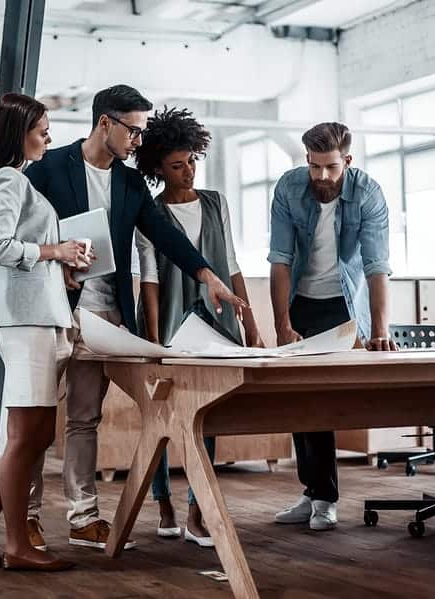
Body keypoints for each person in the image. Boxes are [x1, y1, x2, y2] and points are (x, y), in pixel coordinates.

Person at [23, 85, 247, 552]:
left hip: (104, 317)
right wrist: (54, 262)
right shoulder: (47, 169)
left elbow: (165, 235)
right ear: (105, 122)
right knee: (36, 423)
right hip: (52, 312)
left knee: (84, 420)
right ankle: (24, 518)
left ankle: (84, 518)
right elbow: (20, 238)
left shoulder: (128, 183)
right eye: (134, 131)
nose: (138, 142)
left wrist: (209, 276)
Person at [0, 93, 91, 571]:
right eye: (42, 129)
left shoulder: (18, 179)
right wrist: (55, 252)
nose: (49, 137)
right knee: (27, 436)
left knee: (28, 437)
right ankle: (17, 545)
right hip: (26, 321)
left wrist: (65, 264)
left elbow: (25, 251)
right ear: (18, 132)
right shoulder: (9, 178)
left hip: (37, 315)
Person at [133, 107, 265, 548]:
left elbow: (229, 264)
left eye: (191, 161)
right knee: (158, 421)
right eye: (176, 165)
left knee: (203, 418)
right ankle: (164, 504)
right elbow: (149, 277)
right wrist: (152, 341)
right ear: (157, 169)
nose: (187, 171)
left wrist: (252, 324)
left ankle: (195, 511)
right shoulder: (148, 212)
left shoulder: (215, 202)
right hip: (169, 317)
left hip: (218, 318)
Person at [269, 121, 396, 532]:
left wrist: (379, 330)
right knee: (295, 401)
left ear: (348, 161)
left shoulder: (368, 193)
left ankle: (325, 498)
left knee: (320, 400)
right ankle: (312, 493)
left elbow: (377, 266)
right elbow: (280, 259)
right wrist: (282, 324)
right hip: (300, 302)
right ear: (306, 159)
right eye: (315, 166)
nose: (322, 176)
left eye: (331, 168)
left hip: (342, 304)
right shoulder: (289, 189)